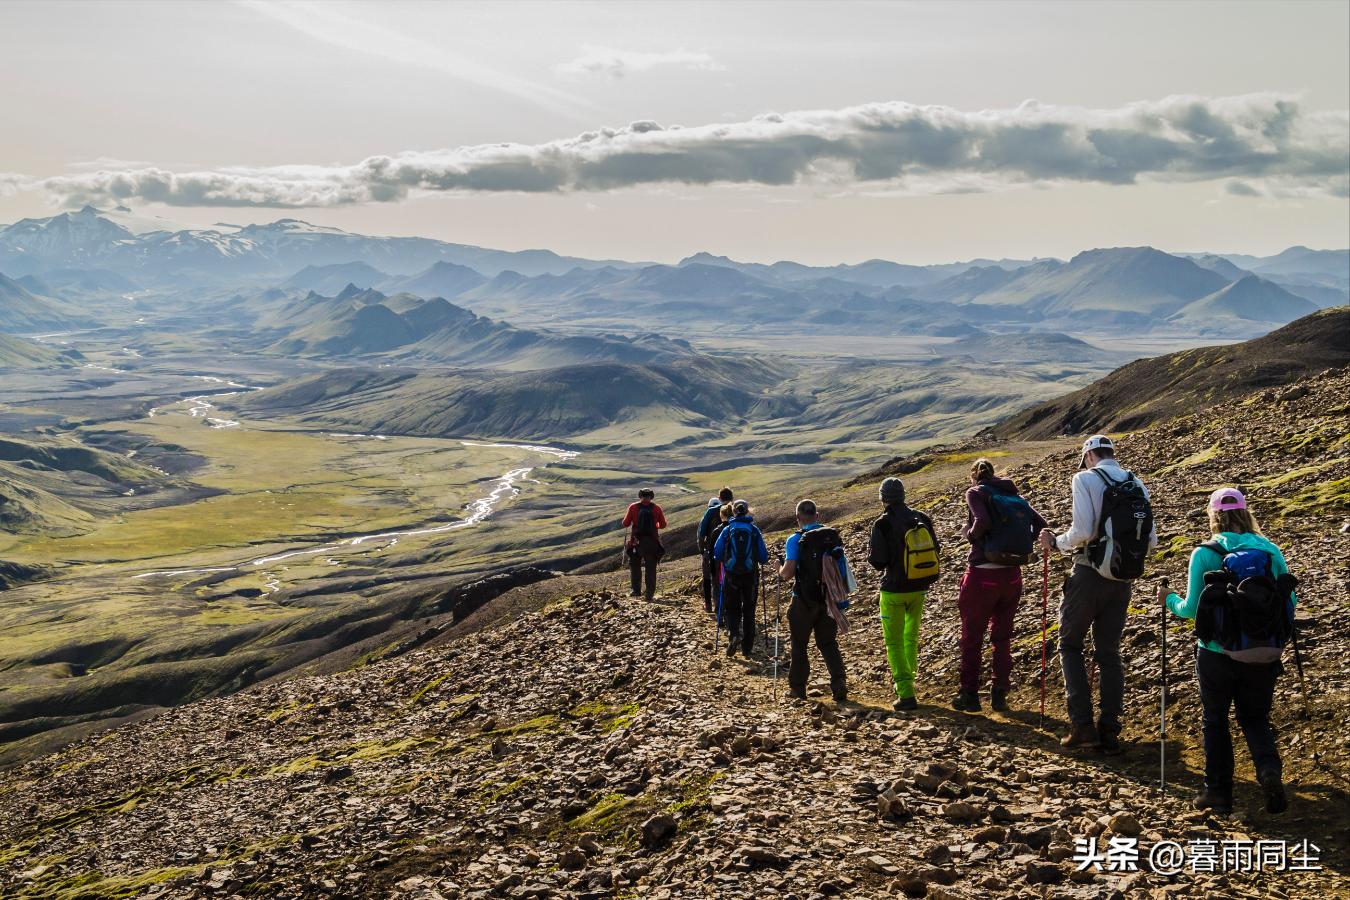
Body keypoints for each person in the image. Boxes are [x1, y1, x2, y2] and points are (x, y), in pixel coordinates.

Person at [1161, 487, 1293, 815]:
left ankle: (1218, 793)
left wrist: (1168, 598)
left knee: (1215, 719)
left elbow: (1191, 608)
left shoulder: (1204, 552)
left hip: (1216, 653)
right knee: (1255, 717)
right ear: (1246, 513)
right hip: (1262, 651)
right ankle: (1268, 771)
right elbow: (1289, 601)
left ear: (1213, 514)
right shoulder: (1270, 550)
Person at [1038, 435, 1157, 754]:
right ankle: (1110, 730)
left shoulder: (1085, 478)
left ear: (1088, 456)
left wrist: (1056, 541)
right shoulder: (1137, 482)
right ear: (1112, 454)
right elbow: (1152, 540)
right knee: (1109, 652)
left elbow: (1083, 532)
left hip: (1089, 574)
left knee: (1070, 644)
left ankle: (1082, 728)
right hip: (1123, 577)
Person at [956, 458, 1048, 712]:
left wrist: (971, 537)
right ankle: (999, 695)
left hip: (982, 574)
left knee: (972, 637)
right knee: (1002, 637)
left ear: (974, 476)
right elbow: (1041, 525)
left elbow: (982, 521)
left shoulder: (975, 492)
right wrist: (1021, 545)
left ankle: (970, 695)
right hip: (1012, 576)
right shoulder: (1012, 494)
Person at [867, 476, 941, 711]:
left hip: (894, 591)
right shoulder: (921, 517)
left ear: (883, 498)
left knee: (894, 642)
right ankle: (910, 679)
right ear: (903, 495)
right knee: (911, 637)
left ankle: (906, 692)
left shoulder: (883, 523)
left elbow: (878, 561)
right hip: (919, 587)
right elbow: (936, 549)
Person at [779, 499, 851, 702]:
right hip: (829, 599)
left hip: (803, 599)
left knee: (799, 643)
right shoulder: (832, 537)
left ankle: (798, 688)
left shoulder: (795, 539)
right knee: (828, 642)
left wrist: (779, 567)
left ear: (798, 518)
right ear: (817, 516)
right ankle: (839, 683)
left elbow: (788, 573)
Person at [713, 499, 769, 658]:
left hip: (731, 575)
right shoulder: (754, 530)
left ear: (734, 512)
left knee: (732, 609)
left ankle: (734, 635)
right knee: (749, 611)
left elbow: (717, 553)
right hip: (750, 576)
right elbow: (763, 557)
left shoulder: (727, 529)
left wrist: (726, 560)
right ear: (747, 511)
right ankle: (747, 649)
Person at [622, 488, 666, 601]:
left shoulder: (633, 507)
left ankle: (636, 591)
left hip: (636, 542)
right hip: (652, 542)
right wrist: (655, 526)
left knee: (635, 566)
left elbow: (625, 523)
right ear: (651, 496)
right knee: (650, 568)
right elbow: (663, 525)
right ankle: (649, 594)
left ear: (640, 496)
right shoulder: (656, 508)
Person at [698, 487, 735, 614]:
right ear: (732, 497)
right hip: (734, 553)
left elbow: (701, 532)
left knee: (712, 578)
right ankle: (732, 608)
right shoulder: (737, 509)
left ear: (719, 498)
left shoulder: (711, 511)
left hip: (713, 550)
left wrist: (702, 550)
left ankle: (712, 606)